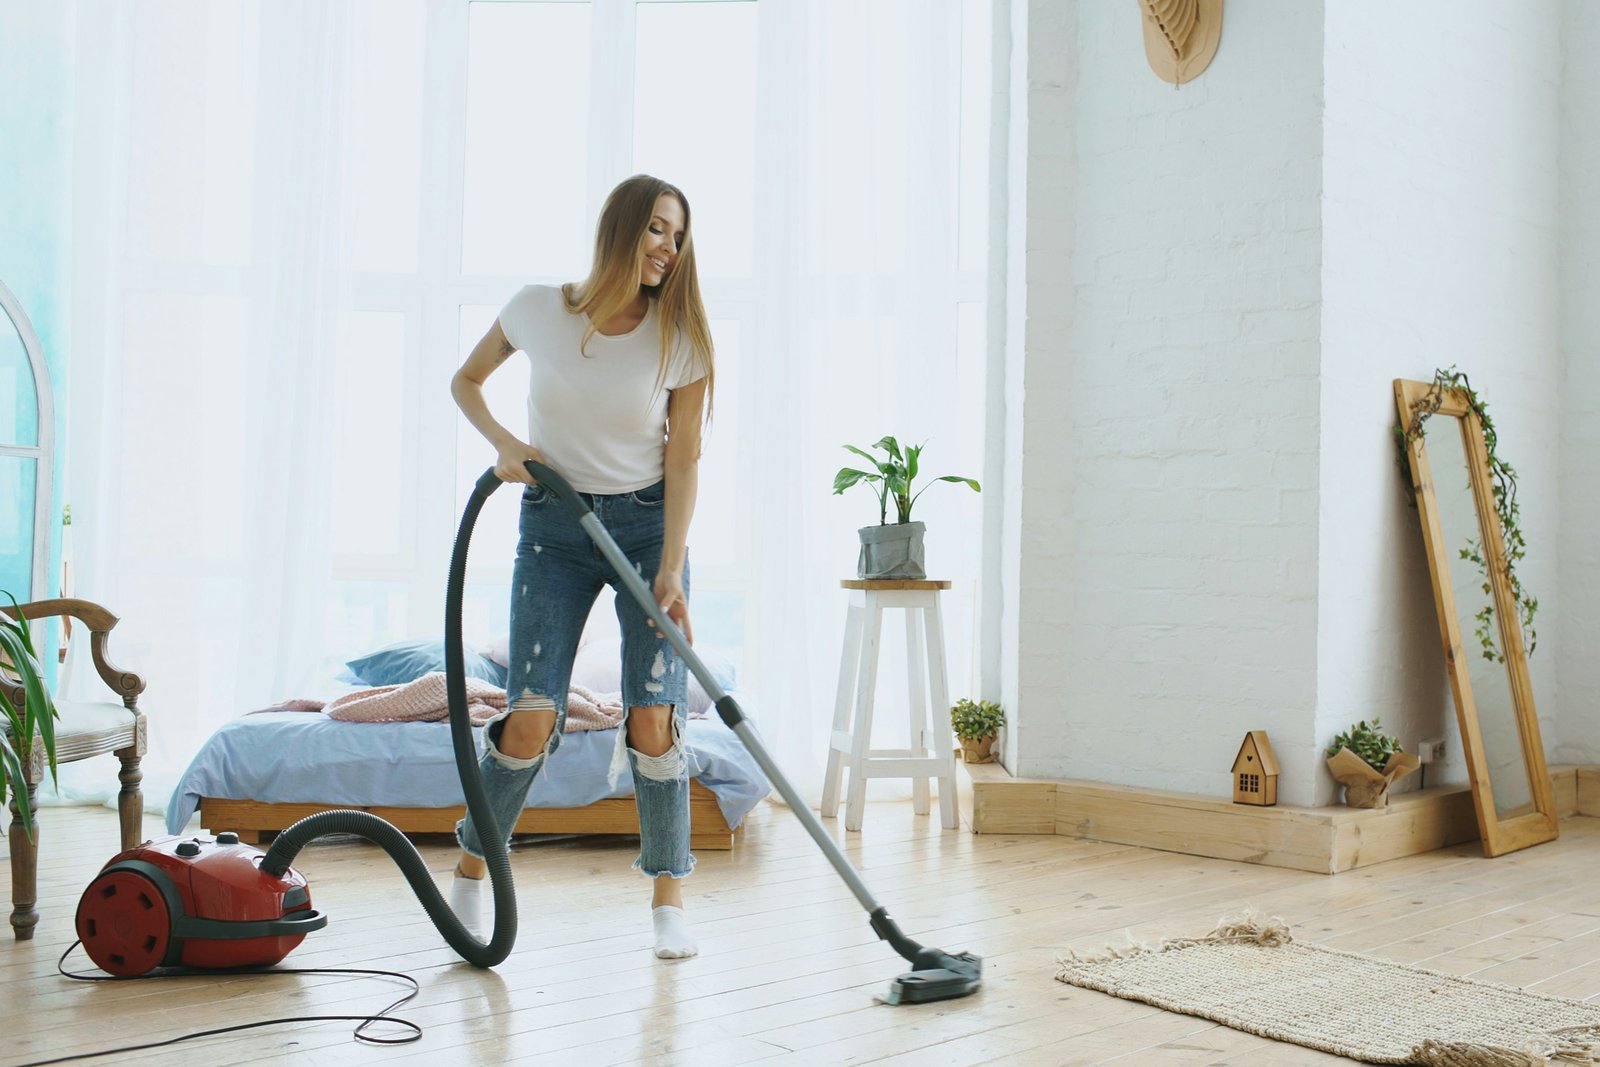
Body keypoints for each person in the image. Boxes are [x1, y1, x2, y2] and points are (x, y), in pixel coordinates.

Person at [448, 174, 715, 959]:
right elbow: (465, 381)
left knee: (654, 717)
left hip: (645, 530)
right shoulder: (538, 308)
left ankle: (669, 896)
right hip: (555, 528)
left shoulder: (681, 334)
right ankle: (472, 866)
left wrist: (670, 566)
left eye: (679, 236)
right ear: (623, 227)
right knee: (531, 715)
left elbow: (686, 455)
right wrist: (504, 442)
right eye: (659, 230)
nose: (669, 249)